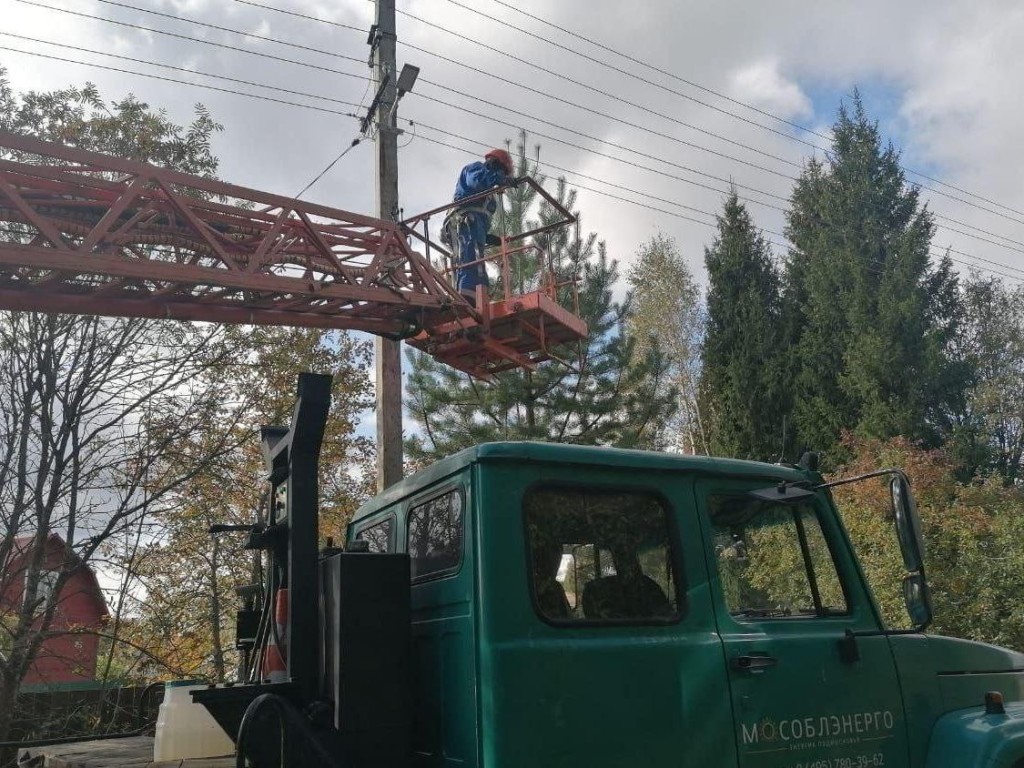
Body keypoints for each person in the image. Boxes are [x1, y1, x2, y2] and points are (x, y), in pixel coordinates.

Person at [449, 148, 516, 306]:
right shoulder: (476, 169)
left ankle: (480, 298)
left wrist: (489, 237)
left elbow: (480, 218)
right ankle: (465, 297)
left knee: (478, 264)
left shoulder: (488, 194)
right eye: (502, 171)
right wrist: (501, 179)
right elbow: (477, 181)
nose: (502, 176)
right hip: (463, 222)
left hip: (473, 228)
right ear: (494, 164)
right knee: (469, 258)